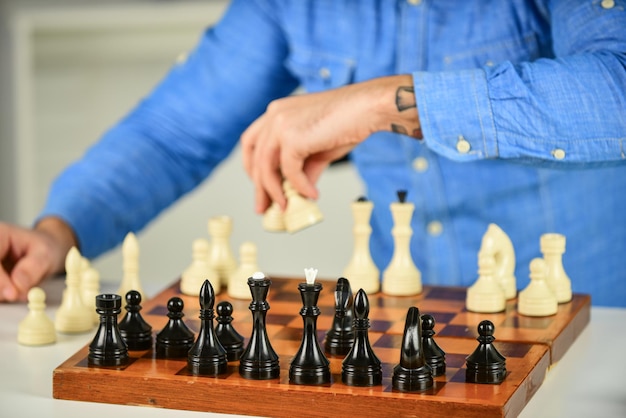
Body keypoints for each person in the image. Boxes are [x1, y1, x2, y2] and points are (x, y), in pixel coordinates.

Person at [1, 0, 625, 306]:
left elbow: (616, 88)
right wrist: (60, 232)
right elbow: (173, 132)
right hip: (400, 333)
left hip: (595, 337)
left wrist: (385, 101)